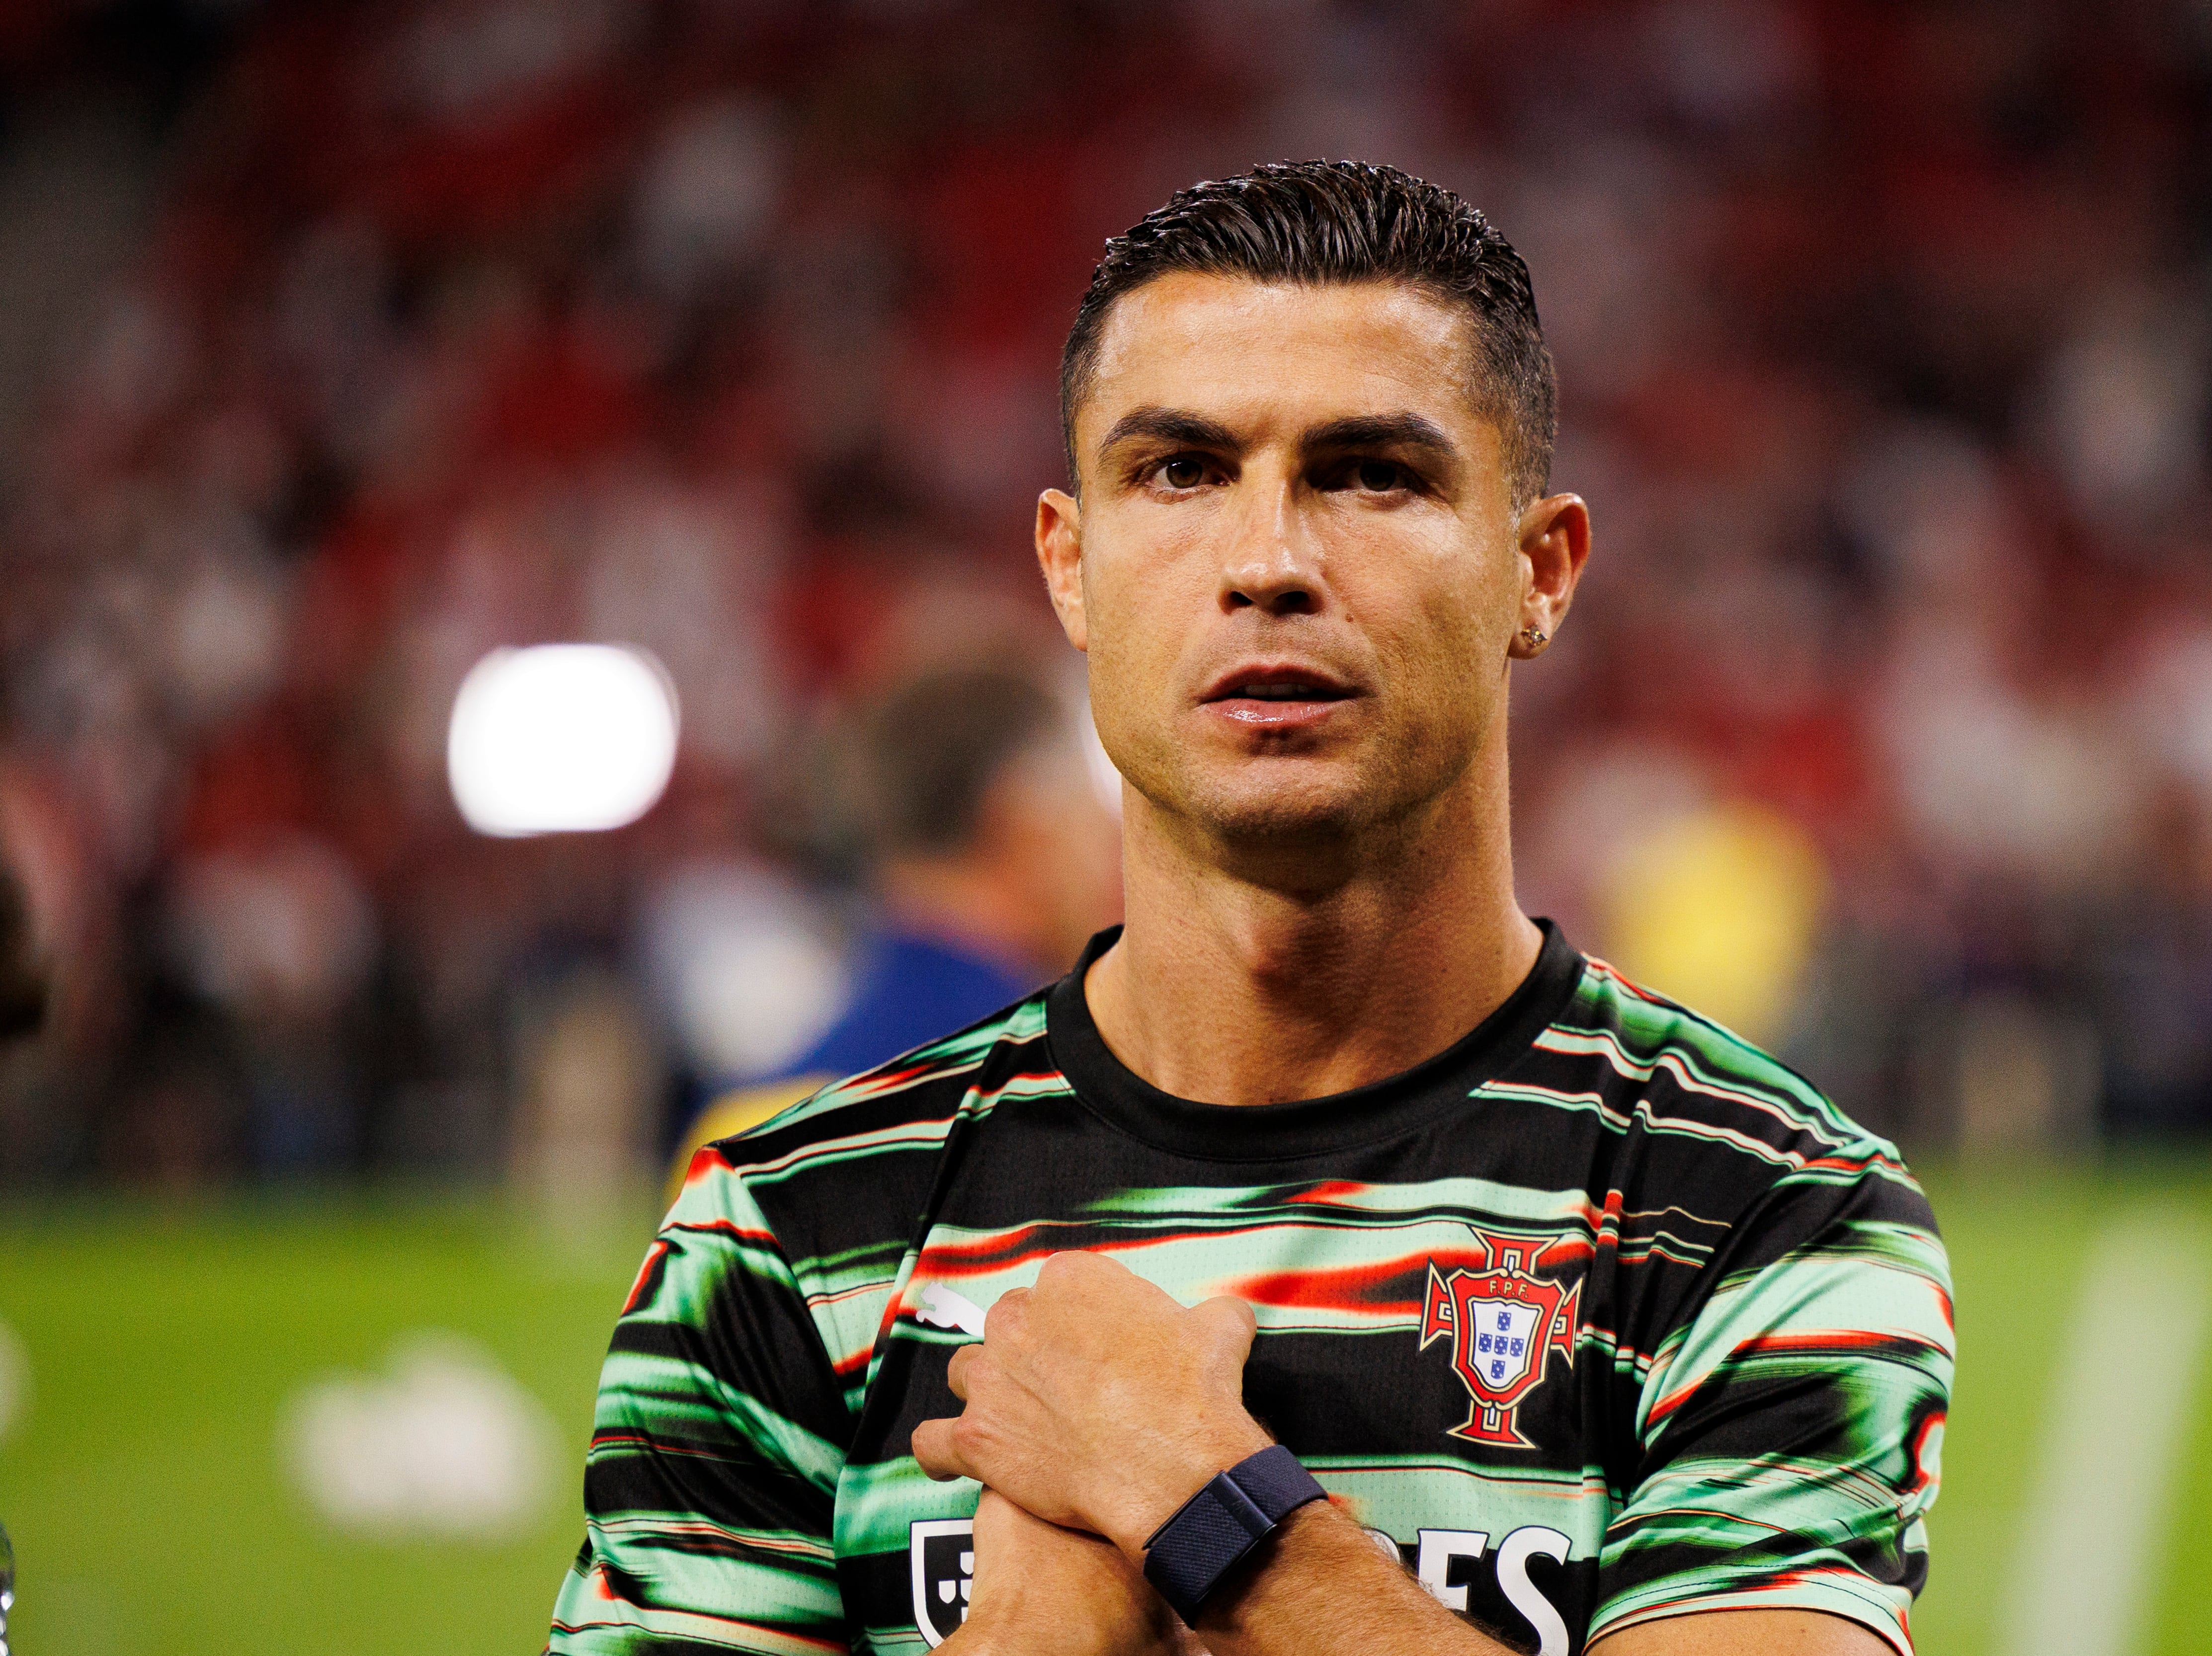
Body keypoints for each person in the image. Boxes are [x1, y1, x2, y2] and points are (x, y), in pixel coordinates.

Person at [548, 162, 1952, 1656]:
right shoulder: (781, 1237)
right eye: (1178, 472)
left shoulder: (1760, 1210)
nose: (1269, 561)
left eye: (1371, 474)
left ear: (1537, 576)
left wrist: (1204, 1506)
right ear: (1068, 568)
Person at [663, 665, 1119, 1198]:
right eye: (1090, 814)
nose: (1113, 851)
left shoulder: (742, 1134)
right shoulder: (1090, 1119)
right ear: (1023, 825)